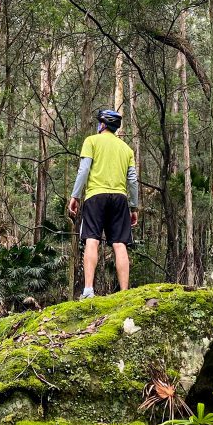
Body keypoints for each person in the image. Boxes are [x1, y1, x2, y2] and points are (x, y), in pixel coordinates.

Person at [68, 108, 138, 299]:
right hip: (120, 199)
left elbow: (84, 170)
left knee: (92, 239)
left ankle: (89, 290)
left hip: (95, 197)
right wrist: (133, 207)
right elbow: (132, 180)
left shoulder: (92, 141)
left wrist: (75, 196)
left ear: (103, 125)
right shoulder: (127, 149)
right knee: (119, 243)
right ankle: (124, 294)